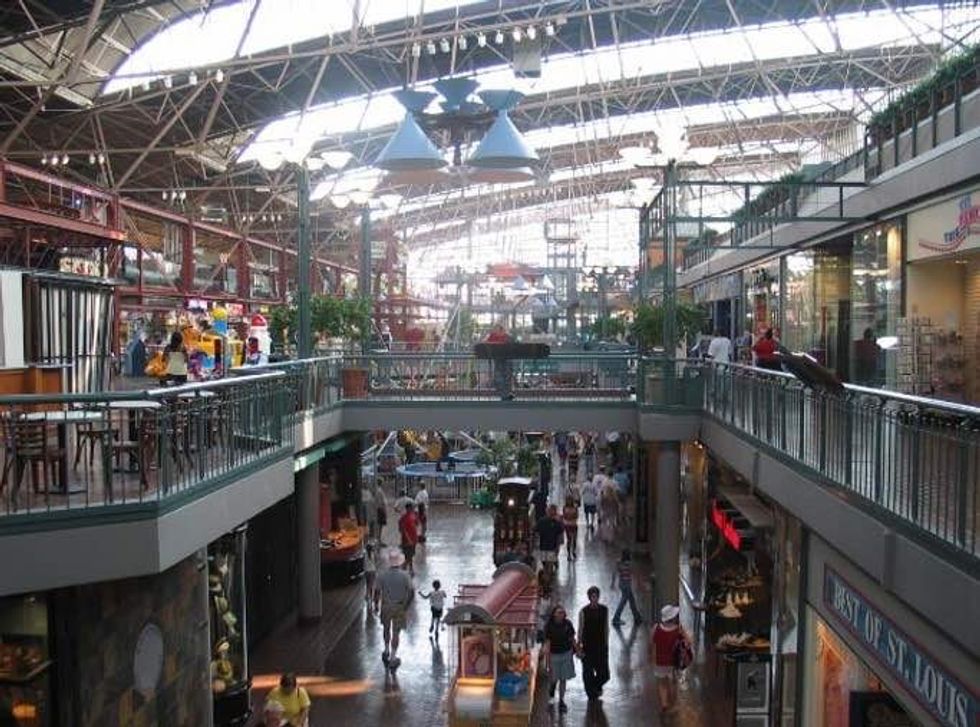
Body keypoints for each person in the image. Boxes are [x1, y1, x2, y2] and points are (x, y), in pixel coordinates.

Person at [650, 604, 691, 714]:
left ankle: (664, 703)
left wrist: (652, 659)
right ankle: (672, 703)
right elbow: (688, 642)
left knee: (662, 683)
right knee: (673, 683)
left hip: (659, 661)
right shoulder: (678, 630)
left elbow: (652, 645)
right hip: (674, 661)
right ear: (673, 618)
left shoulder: (656, 628)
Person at [378, 549, 413, 671]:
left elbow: (377, 591)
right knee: (396, 632)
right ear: (400, 562)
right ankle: (393, 657)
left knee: (386, 628)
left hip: (386, 606)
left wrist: (376, 604)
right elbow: (411, 592)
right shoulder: (405, 575)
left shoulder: (382, 575)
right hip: (399, 606)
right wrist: (406, 606)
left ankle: (386, 649)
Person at [577, 586, 610, 702]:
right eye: (592, 596)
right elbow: (580, 629)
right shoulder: (583, 612)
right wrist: (579, 647)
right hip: (588, 646)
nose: (594, 599)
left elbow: (606, 627)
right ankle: (591, 695)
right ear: (589, 597)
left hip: (601, 646)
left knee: (605, 674)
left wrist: (606, 644)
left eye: (596, 596)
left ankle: (595, 687)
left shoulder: (604, 610)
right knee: (587, 672)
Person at [543, 604, 577, 714]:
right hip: (554, 655)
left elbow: (572, 639)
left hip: (566, 654)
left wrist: (578, 650)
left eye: (562, 612)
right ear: (554, 614)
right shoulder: (549, 626)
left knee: (563, 679)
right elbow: (548, 644)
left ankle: (562, 701)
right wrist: (547, 662)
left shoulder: (568, 624)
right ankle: (552, 694)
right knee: (554, 678)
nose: (561, 614)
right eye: (559, 612)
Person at [611, 550, 642, 626]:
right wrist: (639, 583)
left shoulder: (618, 562)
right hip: (627, 584)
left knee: (632, 600)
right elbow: (635, 573)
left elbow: (614, 572)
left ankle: (637, 616)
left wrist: (612, 583)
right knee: (623, 602)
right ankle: (616, 618)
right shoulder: (630, 563)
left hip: (621, 583)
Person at [535, 504, 564, 577]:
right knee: (546, 565)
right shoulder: (542, 521)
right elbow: (537, 532)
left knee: (548, 565)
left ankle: (547, 580)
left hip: (550, 547)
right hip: (545, 547)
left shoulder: (555, 522)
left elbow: (559, 535)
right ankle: (547, 579)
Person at [398, 502, 420, 576]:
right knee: (408, 555)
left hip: (413, 539)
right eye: (410, 508)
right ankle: (405, 568)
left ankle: (409, 568)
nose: (411, 509)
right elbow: (402, 530)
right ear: (407, 509)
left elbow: (417, 524)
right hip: (407, 540)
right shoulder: (403, 518)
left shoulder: (413, 516)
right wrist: (408, 539)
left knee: (411, 555)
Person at [562, 496, 579, 560]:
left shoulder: (575, 507)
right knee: (569, 540)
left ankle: (574, 551)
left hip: (574, 524)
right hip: (567, 525)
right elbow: (564, 516)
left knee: (574, 539)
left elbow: (576, 516)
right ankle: (569, 553)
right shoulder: (564, 507)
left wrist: (570, 516)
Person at [364, 542, 379, 611]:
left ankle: (368, 595)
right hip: (373, 571)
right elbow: (376, 562)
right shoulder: (373, 555)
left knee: (368, 585)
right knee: (372, 585)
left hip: (366, 571)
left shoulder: (365, 555)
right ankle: (371, 598)